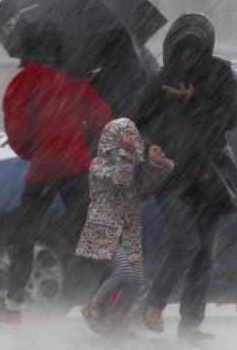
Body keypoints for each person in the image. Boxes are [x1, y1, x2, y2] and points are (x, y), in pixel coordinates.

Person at [0, 29, 113, 324]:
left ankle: (12, 307)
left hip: (45, 168)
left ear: (27, 53)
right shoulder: (75, 82)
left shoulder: (23, 82)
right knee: (88, 233)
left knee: (24, 236)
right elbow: (104, 119)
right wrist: (78, 140)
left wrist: (36, 149)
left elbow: (18, 132)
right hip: (78, 166)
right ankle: (113, 297)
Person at [132, 13, 237, 342]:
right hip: (169, 178)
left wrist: (196, 102)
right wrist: (149, 147)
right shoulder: (159, 81)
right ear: (172, 49)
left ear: (207, 49)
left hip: (207, 177)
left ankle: (191, 324)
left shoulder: (220, 75)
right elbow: (135, 125)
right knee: (186, 243)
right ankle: (153, 304)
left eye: (195, 51)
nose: (188, 59)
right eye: (182, 51)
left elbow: (232, 117)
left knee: (205, 252)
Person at [77, 118, 173, 337]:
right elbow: (119, 179)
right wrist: (128, 155)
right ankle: (94, 307)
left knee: (136, 278)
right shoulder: (99, 165)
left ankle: (116, 321)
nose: (129, 145)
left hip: (128, 230)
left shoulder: (133, 168)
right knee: (123, 271)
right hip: (104, 228)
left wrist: (158, 165)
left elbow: (146, 186)